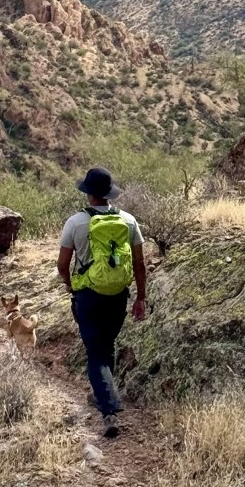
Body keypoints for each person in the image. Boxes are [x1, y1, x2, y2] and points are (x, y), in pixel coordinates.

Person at [57, 167, 147, 439]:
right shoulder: (129, 220)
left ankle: (108, 411)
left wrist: (70, 284)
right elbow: (139, 264)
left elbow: (62, 264)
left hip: (88, 296)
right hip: (118, 294)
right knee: (106, 345)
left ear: (88, 194)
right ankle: (103, 393)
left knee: (95, 352)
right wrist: (141, 296)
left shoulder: (76, 223)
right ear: (109, 194)